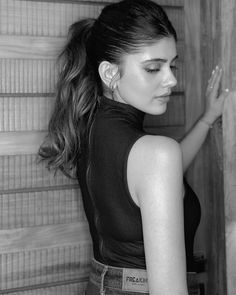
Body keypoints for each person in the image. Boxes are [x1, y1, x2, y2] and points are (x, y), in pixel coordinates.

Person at [38, 0, 229, 294]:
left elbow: (157, 177)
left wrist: (206, 119)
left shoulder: (89, 129)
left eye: (172, 64)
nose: (172, 79)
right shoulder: (153, 154)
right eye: (154, 68)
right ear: (110, 73)